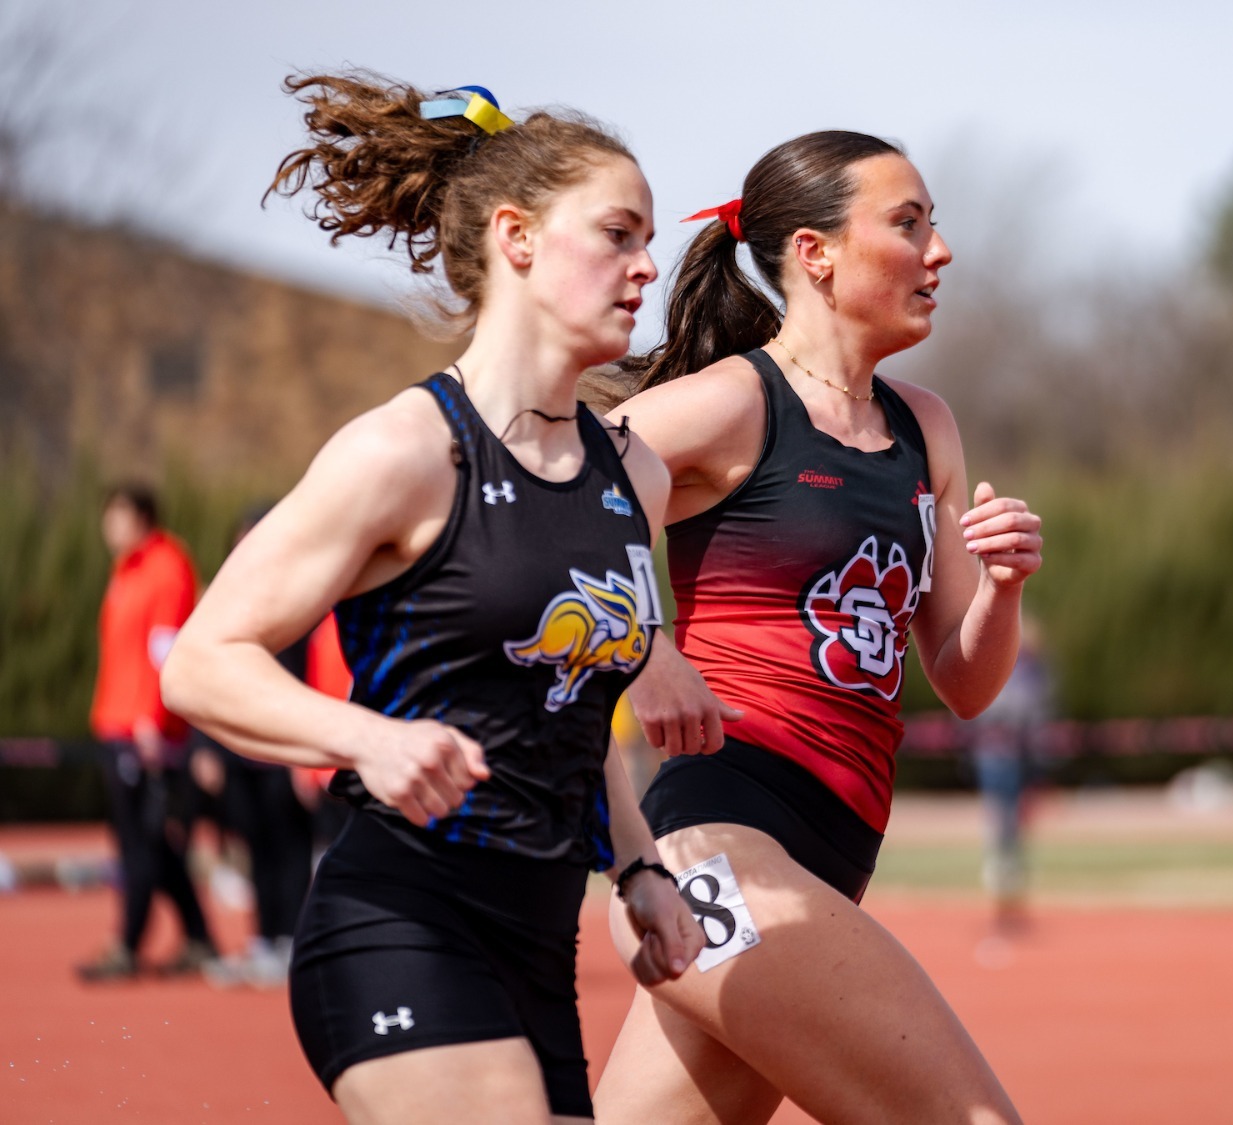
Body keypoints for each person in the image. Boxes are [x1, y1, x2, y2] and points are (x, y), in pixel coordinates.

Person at [160, 72, 703, 1124]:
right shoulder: (404, 452)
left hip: (542, 943)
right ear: (517, 236)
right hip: (398, 913)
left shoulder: (631, 475)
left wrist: (639, 869)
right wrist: (367, 739)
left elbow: (569, 701)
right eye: (618, 233)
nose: (648, 266)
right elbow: (202, 660)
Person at [591, 131, 1037, 1125]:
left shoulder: (925, 428)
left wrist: (1002, 589)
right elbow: (550, 505)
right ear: (814, 254)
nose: (940, 251)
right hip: (717, 848)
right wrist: (645, 645)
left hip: (829, 855)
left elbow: (965, 684)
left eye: (934, 222)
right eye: (908, 224)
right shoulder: (733, 405)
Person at [76, 483, 218, 982]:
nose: (108, 528)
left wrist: (152, 721)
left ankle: (128, 944)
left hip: (146, 729)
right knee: (149, 840)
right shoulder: (125, 570)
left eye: (117, 517)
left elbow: (165, 650)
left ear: (141, 518)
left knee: (141, 840)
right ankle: (201, 937)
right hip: (115, 721)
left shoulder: (166, 567)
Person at [201, 504, 319, 989]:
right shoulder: (221, 599)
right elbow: (205, 675)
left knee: (289, 849)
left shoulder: (305, 595)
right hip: (238, 749)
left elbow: (312, 677)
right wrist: (203, 746)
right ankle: (262, 940)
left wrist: (307, 756)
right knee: (256, 849)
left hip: (285, 748)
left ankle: (291, 941)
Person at [969, 617, 1053, 930]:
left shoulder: (1033, 673)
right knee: (1000, 829)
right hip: (996, 757)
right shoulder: (1000, 667)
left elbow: (1036, 717)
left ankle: (1012, 898)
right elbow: (977, 709)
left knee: (1017, 830)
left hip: (1022, 759)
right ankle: (1000, 898)